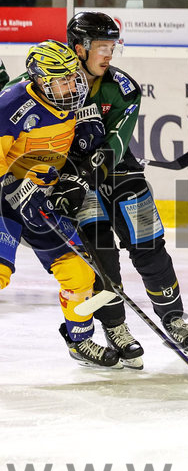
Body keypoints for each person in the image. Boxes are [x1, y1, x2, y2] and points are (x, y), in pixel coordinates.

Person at [51, 12, 188, 368]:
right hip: (73, 180)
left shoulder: (123, 88)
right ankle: (115, 328)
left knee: (149, 243)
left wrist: (90, 170)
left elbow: (116, 143)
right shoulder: (52, 81)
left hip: (117, 170)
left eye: (112, 47)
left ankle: (174, 319)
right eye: (101, 47)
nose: (108, 54)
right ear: (79, 48)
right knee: (100, 253)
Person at [0, 40, 120, 368]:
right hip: (6, 203)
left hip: (41, 200)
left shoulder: (76, 98)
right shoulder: (9, 106)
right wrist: (16, 185)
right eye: (61, 81)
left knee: (80, 274)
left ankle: (80, 341)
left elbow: (83, 144)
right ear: (40, 80)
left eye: (73, 77)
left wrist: (85, 156)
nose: (71, 86)